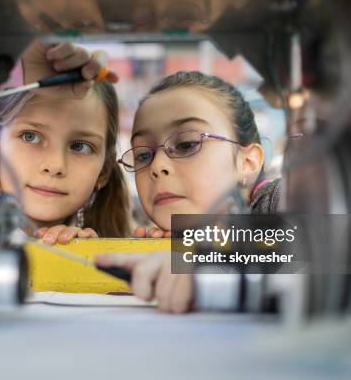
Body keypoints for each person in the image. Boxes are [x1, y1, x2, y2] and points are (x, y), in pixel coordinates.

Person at [95, 71, 281, 312]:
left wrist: (204, 257)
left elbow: (326, 241)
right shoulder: (151, 241)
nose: (157, 166)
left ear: (248, 162)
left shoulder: (278, 200)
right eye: (142, 155)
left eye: (186, 144)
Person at [0, 41, 130, 243]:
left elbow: (181, 263)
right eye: (30, 136)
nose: (55, 166)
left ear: (104, 169)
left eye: (80, 146)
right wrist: (16, 71)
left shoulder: (122, 244)